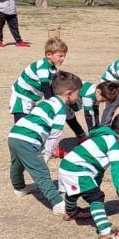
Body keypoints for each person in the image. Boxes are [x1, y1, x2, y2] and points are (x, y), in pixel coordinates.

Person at [58, 112, 119, 239]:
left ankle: (71, 211)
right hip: (78, 169)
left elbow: (98, 170)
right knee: (96, 197)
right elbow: (117, 168)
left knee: (75, 190)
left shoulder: (103, 136)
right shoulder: (113, 143)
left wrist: (95, 185)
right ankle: (105, 232)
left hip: (66, 165)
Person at [9, 71, 83, 215]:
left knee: (17, 163)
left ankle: (19, 188)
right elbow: (55, 136)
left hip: (14, 134)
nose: (78, 96)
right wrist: (47, 155)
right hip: (28, 140)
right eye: (77, 93)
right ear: (69, 93)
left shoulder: (47, 102)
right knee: (41, 172)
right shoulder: (60, 109)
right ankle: (58, 204)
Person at [9, 38, 68, 122]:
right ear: (49, 55)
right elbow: (45, 86)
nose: (63, 59)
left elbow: (51, 87)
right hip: (21, 96)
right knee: (21, 124)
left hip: (30, 99)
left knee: (29, 124)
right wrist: (51, 104)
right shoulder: (42, 66)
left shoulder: (53, 69)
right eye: (60, 56)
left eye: (64, 56)